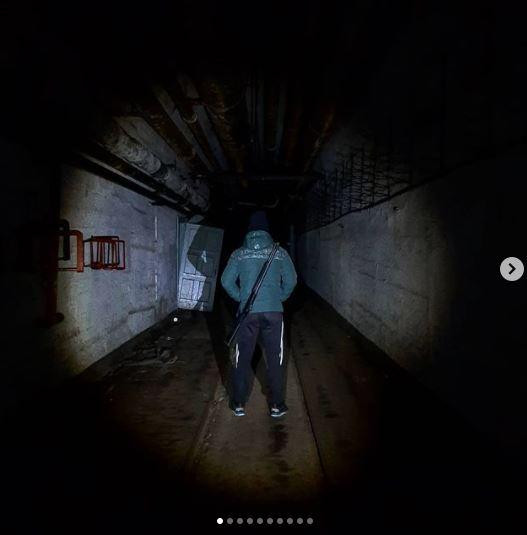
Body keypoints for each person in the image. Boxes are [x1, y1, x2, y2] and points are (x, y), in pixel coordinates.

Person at [220, 210, 297, 418]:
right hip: (273, 313)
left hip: (247, 314)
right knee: (275, 358)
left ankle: (238, 403)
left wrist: (241, 297)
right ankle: (276, 405)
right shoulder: (279, 252)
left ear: (249, 230)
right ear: (267, 230)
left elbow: (226, 281)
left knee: (242, 358)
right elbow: (291, 280)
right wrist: (278, 297)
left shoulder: (238, 254)